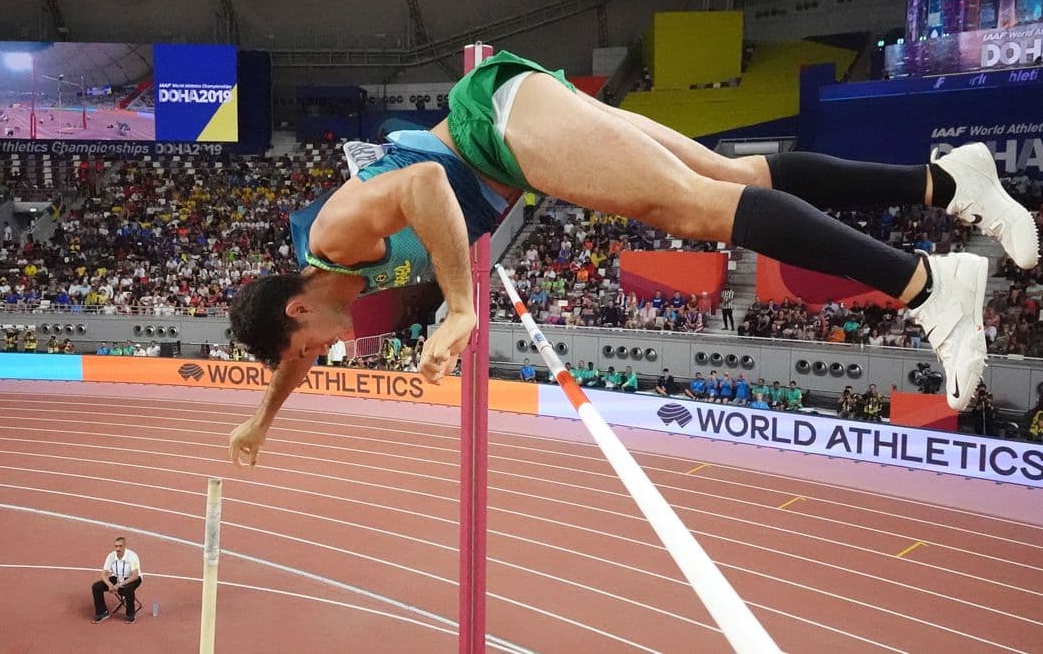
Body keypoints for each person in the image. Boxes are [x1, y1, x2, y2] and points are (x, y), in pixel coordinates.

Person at [227, 50, 1039, 466]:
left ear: (299, 306)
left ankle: (929, 284)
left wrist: (462, 305)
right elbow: (287, 364)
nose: (328, 351)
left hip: (499, 130)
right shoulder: (320, 281)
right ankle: (947, 181)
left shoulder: (334, 239)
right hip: (516, 129)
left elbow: (425, 194)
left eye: (311, 346)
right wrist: (264, 421)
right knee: (726, 175)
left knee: (690, 209)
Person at [91, 536, 142, 624]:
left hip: (130, 579)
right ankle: (102, 612)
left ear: (125, 546)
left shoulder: (132, 556)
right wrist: (110, 584)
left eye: (120, 546)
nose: (118, 548)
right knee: (96, 587)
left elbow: (135, 575)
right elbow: (103, 574)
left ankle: (130, 614)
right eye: (116, 546)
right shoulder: (111, 556)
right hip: (117, 577)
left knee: (127, 589)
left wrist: (119, 584)